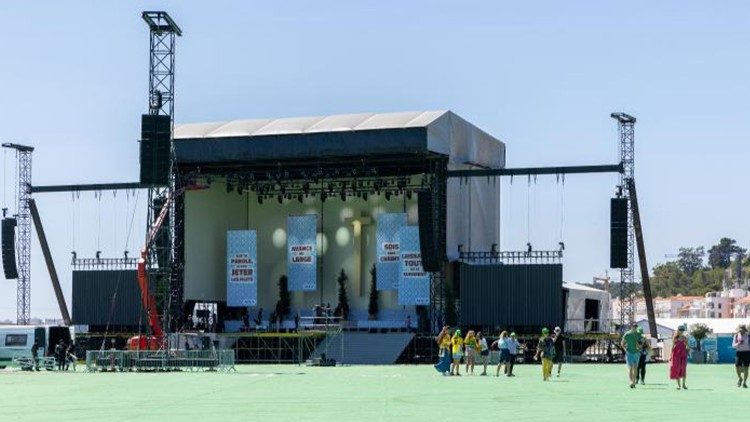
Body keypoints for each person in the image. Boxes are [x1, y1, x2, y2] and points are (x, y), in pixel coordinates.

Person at [621, 323, 642, 388]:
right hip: (629, 353)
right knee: (630, 368)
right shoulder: (627, 334)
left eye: (636, 326)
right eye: (634, 326)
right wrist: (625, 349)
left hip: (636, 353)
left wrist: (639, 346)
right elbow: (622, 343)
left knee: (635, 368)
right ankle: (631, 381)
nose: (635, 327)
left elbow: (640, 343)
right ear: (631, 327)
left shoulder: (638, 334)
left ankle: (633, 382)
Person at [670, 324, 689, 390]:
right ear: (678, 330)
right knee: (676, 369)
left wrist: (687, 347)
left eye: (682, 330)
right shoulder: (675, 338)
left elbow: (687, 346)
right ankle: (678, 385)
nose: (681, 331)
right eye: (680, 330)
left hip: (683, 355)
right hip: (676, 355)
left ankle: (684, 384)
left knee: (683, 369)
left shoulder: (685, 338)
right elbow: (672, 347)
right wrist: (671, 356)